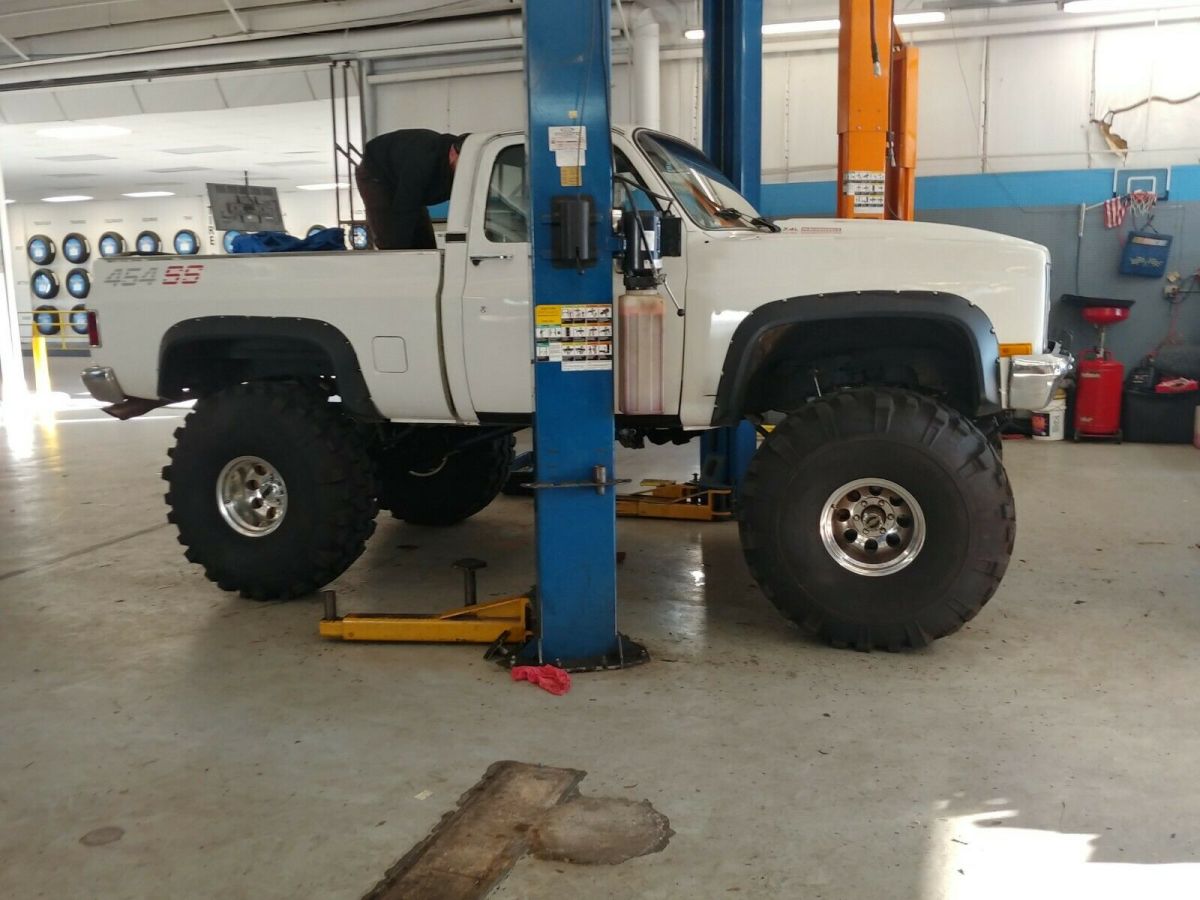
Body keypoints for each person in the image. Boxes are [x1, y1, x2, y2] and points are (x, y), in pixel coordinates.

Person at [355, 129, 468, 250]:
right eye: (464, 163)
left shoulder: (460, 169)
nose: (468, 170)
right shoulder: (424, 159)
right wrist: (402, 254)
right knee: (391, 236)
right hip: (376, 172)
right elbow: (405, 207)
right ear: (452, 153)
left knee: (426, 243)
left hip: (403, 177)